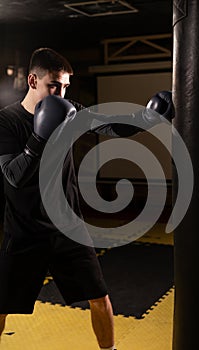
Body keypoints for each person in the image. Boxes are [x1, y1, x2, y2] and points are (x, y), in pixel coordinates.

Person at [0, 47, 174, 349]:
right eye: (54, 85)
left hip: (68, 226)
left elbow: (111, 126)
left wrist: (148, 117)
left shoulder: (71, 111)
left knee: (99, 296)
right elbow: (14, 176)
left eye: (66, 86)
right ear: (32, 80)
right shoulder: (7, 121)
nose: (61, 93)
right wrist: (39, 137)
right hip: (24, 230)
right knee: (2, 304)